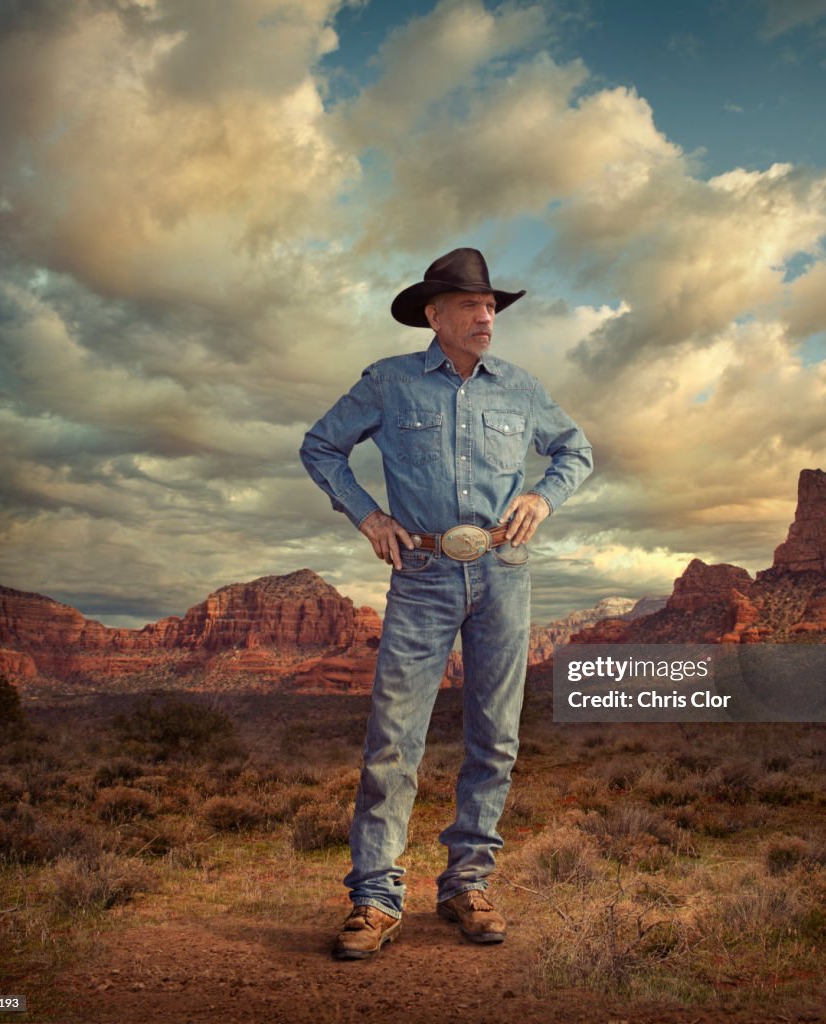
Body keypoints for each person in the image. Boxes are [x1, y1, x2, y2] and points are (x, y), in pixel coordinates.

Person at [299, 248, 593, 959]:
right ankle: (374, 899)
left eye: (491, 304)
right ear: (434, 315)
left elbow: (575, 451)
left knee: (495, 738)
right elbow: (321, 447)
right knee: (393, 741)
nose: (486, 315)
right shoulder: (390, 383)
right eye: (471, 304)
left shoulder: (521, 389)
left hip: (503, 573)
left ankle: (468, 884)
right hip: (423, 572)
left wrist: (539, 497)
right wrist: (369, 516)